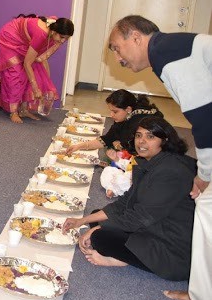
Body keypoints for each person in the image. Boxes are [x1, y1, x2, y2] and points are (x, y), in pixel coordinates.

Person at [105, 15, 212, 300]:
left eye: (117, 47)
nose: (118, 58)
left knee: (207, 212)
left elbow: (206, 121)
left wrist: (204, 174)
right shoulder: (173, 50)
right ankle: (200, 297)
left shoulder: (171, 57)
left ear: (136, 37)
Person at [62, 117, 196, 280]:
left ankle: (121, 260)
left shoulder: (170, 172)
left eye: (150, 136)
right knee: (97, 215)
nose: (142, 141)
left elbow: (140, 217)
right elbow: (126, 202)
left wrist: (98, 230)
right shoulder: (151, 161)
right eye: (139, 136)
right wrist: (82, 221)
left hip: (172, 247)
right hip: (155, 224)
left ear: (165, 140)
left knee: (99, 237)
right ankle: (121, 251)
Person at [0, 14, 75, 123]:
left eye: (66, 39)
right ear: (54, 32)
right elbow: (27, 63)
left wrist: (44, 82)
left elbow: (42, 59)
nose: (63, 41)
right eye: (62, 37)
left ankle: (23, 110)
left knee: (34, 70)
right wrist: (35, 88)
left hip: (24, 40)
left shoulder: (56, 29)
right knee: (16, 74)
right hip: (10, 37)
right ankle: (13, 112)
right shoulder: (42, 34)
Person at [64, 89, 162, 162]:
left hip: (152, 160)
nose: (111, 115)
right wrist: (79, 146)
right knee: (110, 148)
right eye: (110, 111)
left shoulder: (139, 123)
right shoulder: (125, 117)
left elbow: (134, 152)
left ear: (128, 109)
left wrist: (119, 145)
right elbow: (107, 139)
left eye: (115, 111)